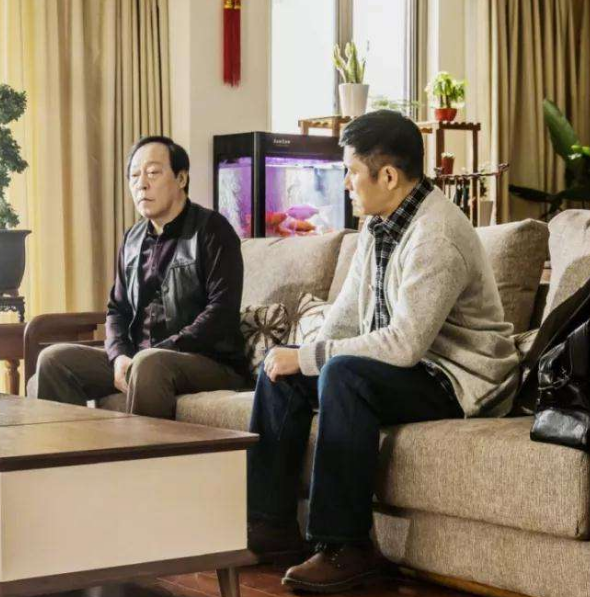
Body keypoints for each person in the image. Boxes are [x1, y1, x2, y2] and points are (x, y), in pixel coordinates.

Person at [245, 111, 520, 593]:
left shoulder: (437, 235)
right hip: (414, 366)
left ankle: (346, 548)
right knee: (281, 370)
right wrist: (297, 356)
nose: (345, 183)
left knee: (343, 375)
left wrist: (312, 359)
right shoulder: (378, 224)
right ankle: (269, 525)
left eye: (351, 171)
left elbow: (404, 343)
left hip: (460, 378)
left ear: (388, 176)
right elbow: (346, 317)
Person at [27, 136, 247, 418]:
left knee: (150, 363)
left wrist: (161, 349)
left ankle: (142, 450)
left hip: (207, 360)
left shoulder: (212, 229)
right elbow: (117, 309)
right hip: (140, 359)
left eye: (153, 173)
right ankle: (73, 448)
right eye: (134, 176)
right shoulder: (132, 238)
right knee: (54, 360)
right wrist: (119, 356)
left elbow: (221, 312)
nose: (141, 184)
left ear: (181, 179)